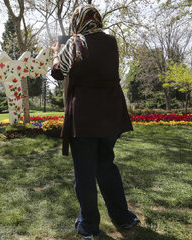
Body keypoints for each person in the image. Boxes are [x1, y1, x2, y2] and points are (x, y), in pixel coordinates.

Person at [50, 5, 140, 239]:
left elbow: (59, 72)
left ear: (77, 20)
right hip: (110, 115)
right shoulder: (111, 41)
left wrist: (56, 54)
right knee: (106, 166)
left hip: (84, 116)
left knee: (85, 173)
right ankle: (123, 218)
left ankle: (89, 226)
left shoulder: (75, 43)